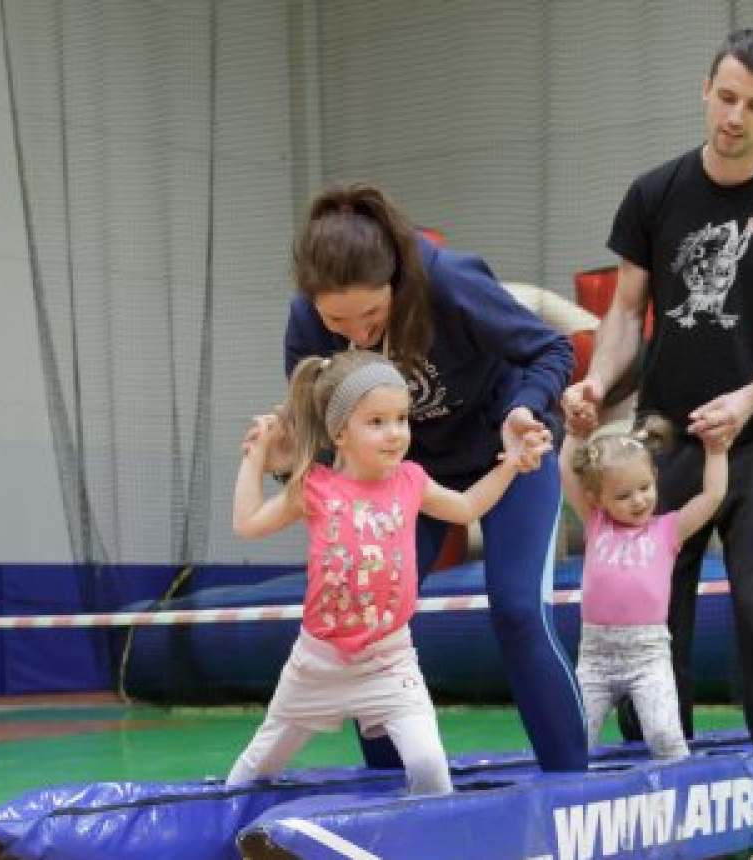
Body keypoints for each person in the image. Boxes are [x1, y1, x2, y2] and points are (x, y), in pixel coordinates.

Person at [249, 182, 588, 773]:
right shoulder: (306, 321)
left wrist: (524, 410)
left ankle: (572, 785)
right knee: (365, 616)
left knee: (515, 609)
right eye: (338, 321)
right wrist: (283, 463)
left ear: (397, 284)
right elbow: (315, 429)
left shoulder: (449, 282)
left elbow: (552, 350)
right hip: (403, 473)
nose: (356, 335)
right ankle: (387, 797)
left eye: (372, 316)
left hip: (507, 454)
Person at [562, 27, 753, 747]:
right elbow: (626, 310)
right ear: (705, 91)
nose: (734, 117)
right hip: (661, 441)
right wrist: (596, 381)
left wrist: (747, 400)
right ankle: (652, 766)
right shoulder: (654, 194)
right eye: (725, 97)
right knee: (643, 609)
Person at [227, 350, 539, 793]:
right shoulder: (314, 486)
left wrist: (510, 465)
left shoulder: (410, 481)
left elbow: (468, 505)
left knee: (430, 766)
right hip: (317, 663)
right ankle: (226, 828)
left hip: (389, 660)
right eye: (376, 422)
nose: (395, 433)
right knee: (256, 766)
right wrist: (256, 456)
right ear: (340, 432)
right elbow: (247, 524)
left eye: (401, 419)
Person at [559, 413, 729, 760]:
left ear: (654, 477)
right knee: (574, 739)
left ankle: (679, 795)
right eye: (623, 496)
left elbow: (711, 497)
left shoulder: (668, 529)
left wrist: (715, 452)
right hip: (595, 655)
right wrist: (574, 434)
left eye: (644, 488)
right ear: (597, 499)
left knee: (666, 734)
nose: (638, 500)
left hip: (648, 654)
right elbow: (566, 472)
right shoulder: (596, 524)